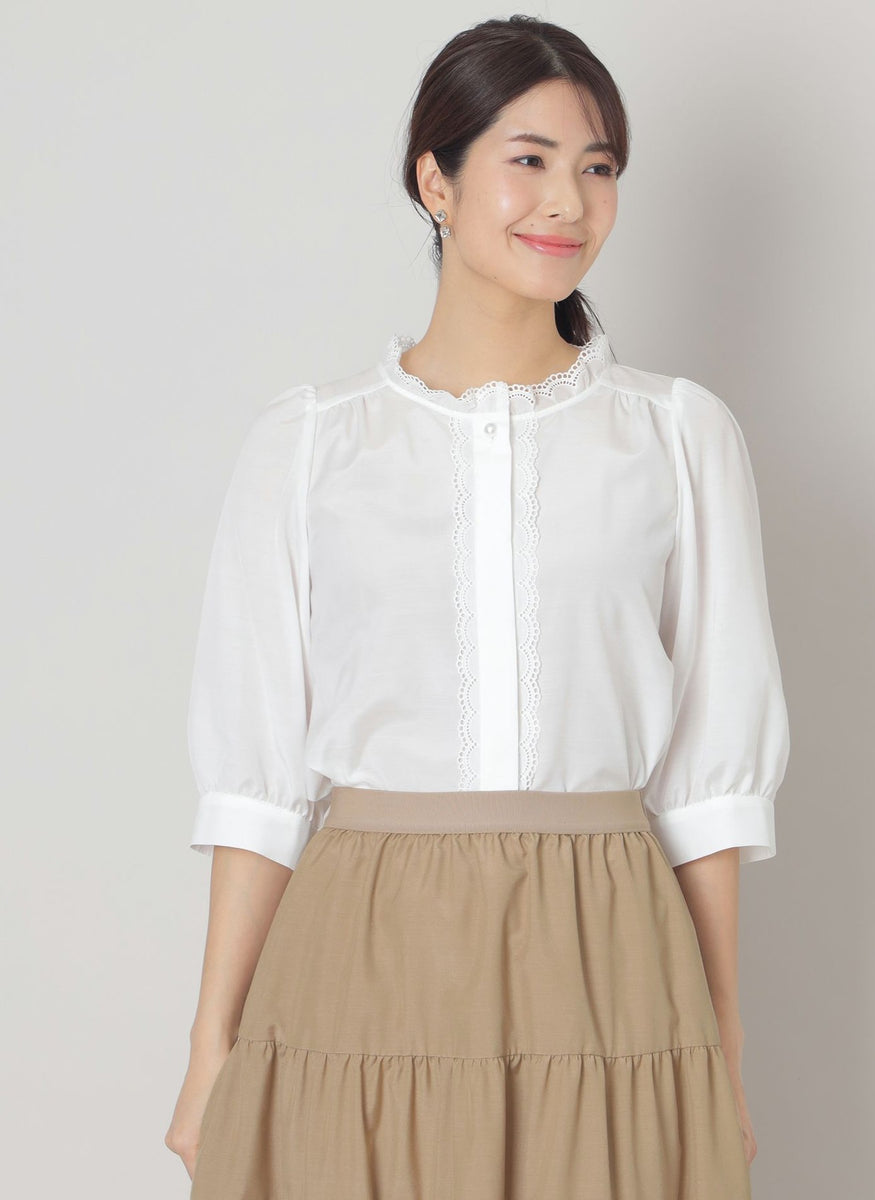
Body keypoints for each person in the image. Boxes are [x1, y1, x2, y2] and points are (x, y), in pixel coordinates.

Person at [165, 14, 791, 1198]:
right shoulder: (310, 445)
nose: (569, 200)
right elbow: (256, 789)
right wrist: (208, 1051)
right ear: (434, 181)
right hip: (361, 952)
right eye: (530, 158)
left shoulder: (677, 437)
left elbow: (710, 791)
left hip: (609, 956)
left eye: (598, 167)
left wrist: (723, 1048)